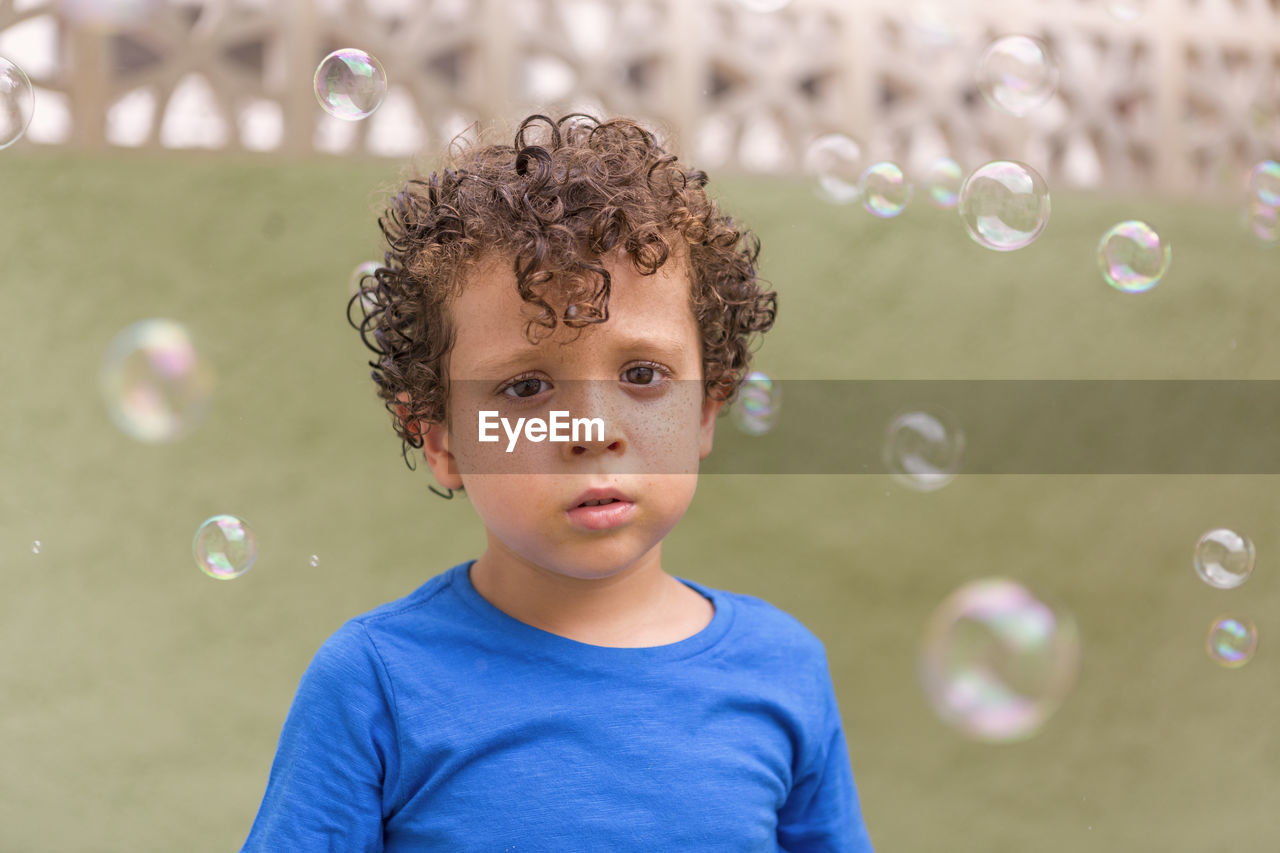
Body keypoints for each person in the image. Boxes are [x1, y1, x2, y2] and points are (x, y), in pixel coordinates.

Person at [241, 113, 875, 852]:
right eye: (527, 385)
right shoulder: (374, 683)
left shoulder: (783, 667)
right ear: (441, 440)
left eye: (642, 375)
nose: (590, 430)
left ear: (706, 409)